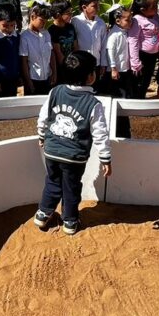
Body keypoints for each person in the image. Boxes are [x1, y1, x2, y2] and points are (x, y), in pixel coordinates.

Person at [34, 51, 111, 236]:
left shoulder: (55, 91)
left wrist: (42, 135)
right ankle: (69, 221)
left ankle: (43, 213)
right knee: (71, 188)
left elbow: (43, 117)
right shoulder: (93, 104)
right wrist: (105, 158)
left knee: (52, 182)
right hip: (74, 157)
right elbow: (100, 133)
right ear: (90, 77)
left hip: (51, 151)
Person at [127, 0, 159, 99]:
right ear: (143, 9)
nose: (156, 7)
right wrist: (135, 61)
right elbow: (133, 40)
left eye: (156, 5)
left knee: (147, 80)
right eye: (153, 6)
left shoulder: (155, 17)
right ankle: (135, 100)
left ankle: (142, 98)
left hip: (153, 56)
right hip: (142, 56)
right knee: (138, 81)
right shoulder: (137, 20)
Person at [0, 3, 22, 98]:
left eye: (12, 25)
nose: (9, 28)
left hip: (13, 79)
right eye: (5, 25)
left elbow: (18, 58)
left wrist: (19, 75)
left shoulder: (17, 38)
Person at [20, 2, 56, 95]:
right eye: (41, 20)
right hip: (33, 78)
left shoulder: (46, 34)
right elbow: (24, 61)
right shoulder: (25, 37)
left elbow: (51, 54)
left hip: (47, 77)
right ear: (33, 17)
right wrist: (29, 82)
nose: (44, 23)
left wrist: (54, 73)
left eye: (46, 20)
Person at [72, 0, 108, 80]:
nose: (98, 8)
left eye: (98, 5)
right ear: (84, 7)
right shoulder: (75, 21)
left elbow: (104, 45)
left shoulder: (101, 23)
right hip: (80, 63)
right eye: (94, 6)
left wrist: (103, 64)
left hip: (96, 63)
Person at [104, 6, 135, 101]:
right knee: (117, 93)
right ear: (118, 21)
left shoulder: (124, 32)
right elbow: (110, 51)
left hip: (124, 68)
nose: (131, 22)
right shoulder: (114, 35)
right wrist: (113, 68)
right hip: (116, 70)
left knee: (125, 92)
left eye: (131, 19)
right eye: (127, 20)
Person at [48, 0, 78, 82]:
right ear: (58, 15)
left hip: (73, 65)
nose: (71, 15)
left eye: (71, 12)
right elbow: (58, 53)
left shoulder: (70, 27)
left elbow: (75, 46)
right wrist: (68, 68)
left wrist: (75, 64)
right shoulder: (52, 30)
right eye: (68, 12)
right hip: (61, 69)